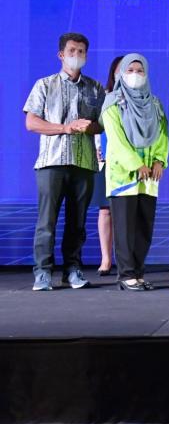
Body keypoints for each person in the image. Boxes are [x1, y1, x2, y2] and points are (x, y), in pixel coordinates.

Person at [24, 32, 105, 291]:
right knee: (47, 221)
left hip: (84, 163)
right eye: (72, 51)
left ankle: (72, 270)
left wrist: (90, 127)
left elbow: (103, 124)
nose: (77, 55)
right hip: (51, 162)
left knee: (77, 222)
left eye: (81, 52)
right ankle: (43, 272)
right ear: (61, 54)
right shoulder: (44, 84)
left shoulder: (95, 87)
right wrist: (65, 128)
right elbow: (31, 122)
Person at [100, 54, 169, 291]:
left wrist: (159, 160)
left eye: (140, 71)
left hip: (149, 176)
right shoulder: (112, 103)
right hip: (124, 176)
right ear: (121, 74)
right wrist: (136, 164)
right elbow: (116, 140)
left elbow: (162, 133)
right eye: (130, 70)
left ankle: (138, 273)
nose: (135, 75)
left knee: (144, 227)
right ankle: (126, 274)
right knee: (125, 228)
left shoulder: (154, 103)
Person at [92, 55, 124, 276]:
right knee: (105, 210)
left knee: (127, 212)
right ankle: (106, 258)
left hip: (130, 163)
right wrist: (97, 148)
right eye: (120, 70)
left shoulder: (142, 97)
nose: (125, 74)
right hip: (106, 161)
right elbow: (97, 126)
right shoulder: (104, 96)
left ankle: (126, 259)